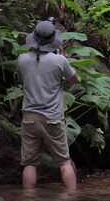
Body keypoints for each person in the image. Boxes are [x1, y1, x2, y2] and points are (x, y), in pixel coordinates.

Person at [17, 19, 80, 191]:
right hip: (52, 117)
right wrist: (62, 60)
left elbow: (24, 79)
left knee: (29, 163)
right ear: (53, 40)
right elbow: (75, 80)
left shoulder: (22, 60)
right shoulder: (59, 61)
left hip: (29, 117)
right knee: (64, 162)